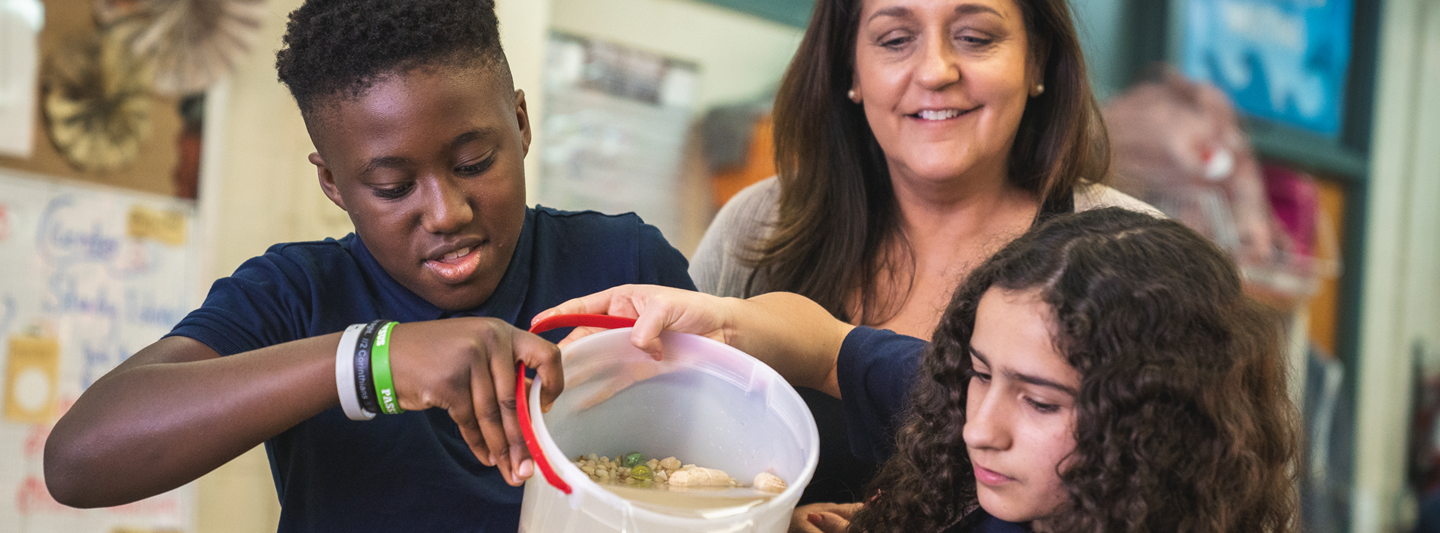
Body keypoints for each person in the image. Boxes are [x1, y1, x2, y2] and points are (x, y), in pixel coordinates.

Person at [42, 1, 694, 531]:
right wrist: (371, 360)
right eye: (391, 186)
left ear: (520, 123)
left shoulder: (624, 265)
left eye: (473, 162)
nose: (445, 211)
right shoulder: (296, 295)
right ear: (333, 183)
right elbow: (78, 459)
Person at [540, 207, 1299, 532]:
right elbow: (826, 342)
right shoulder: (969, 412)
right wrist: (726, 320)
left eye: (1040, 403)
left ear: (1156, 427)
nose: (980, 427)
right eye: (976, 371)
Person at [688, 0, 1158, 503]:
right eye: (895, 40)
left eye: (975, 38)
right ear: (852, 69)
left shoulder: (1137, 257)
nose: (936, 72)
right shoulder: (758, 226)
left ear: (1037, 60)